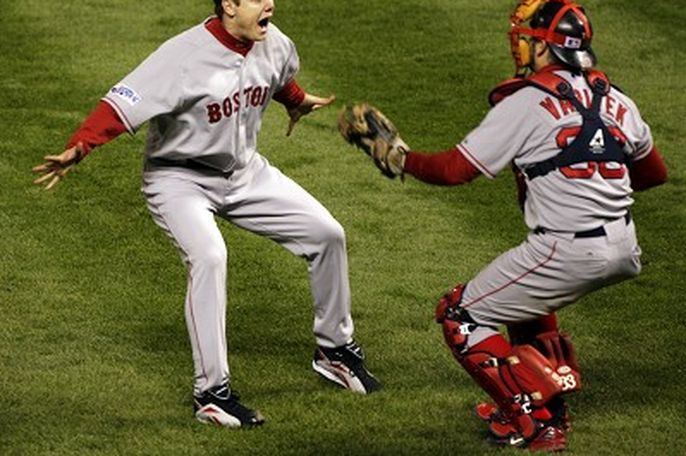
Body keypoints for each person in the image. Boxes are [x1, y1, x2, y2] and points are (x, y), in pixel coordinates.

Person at [32, 0, 381, 428]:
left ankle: (335, 351)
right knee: (210, 257)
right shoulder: (181, 57)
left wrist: (295, 100)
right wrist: (80, 146)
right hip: (178, 181)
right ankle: (211, 393)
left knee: (327, 233)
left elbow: (278, 77)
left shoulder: (274, 42)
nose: (269, 4)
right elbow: (120, 106)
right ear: (229, 6)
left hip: (245, 175)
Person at [351, 0, 667, 451]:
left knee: (461, 315)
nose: (518, 47)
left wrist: (400, 157)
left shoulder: (527, 102)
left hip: (568, 249)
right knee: (524, 301)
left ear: (544, 49)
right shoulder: (617, 99)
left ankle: (534, 422)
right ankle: (551, 401)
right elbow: (654, 174)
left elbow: (455, 170)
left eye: (525, 39)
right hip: (624, 245)